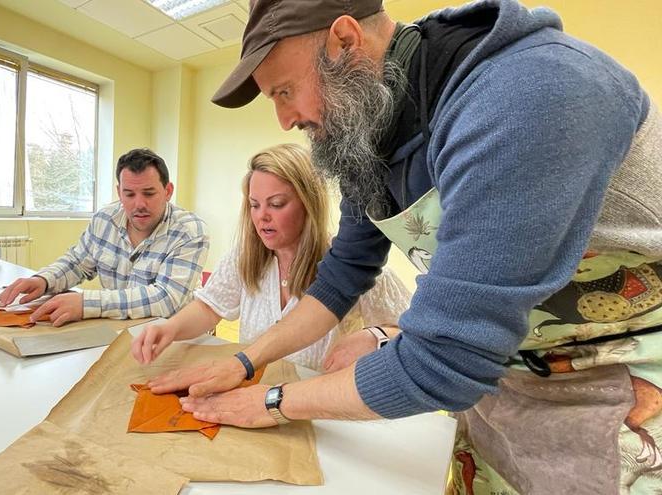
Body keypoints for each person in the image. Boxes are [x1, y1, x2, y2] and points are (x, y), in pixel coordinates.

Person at [146, 0, 662, 493]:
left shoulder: (527, 95)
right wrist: (243, 363)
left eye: (284, 91)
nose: (284, 120)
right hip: (505, 389)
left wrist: (274, 401)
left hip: (632, 390)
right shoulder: (368, 131)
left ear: (344, 40)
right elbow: (340, 278)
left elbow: (444, 358)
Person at [131, 143, 410, 371]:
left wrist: (375, 336)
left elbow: (410, 333)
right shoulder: (245, 257)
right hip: (253, 397)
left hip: (321, 409)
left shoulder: (353, 268)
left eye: (276, 204)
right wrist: (170, 328)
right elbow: (209, 308)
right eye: (254, 205)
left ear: (308, 203)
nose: (262, 216)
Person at [0, 148, 210, 327]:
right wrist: (43, 280)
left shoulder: (189, 231)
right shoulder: (104, 219)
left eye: (149, 193)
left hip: (175, 337)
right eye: (129, 194)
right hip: (118, 330)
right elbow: (77, 263)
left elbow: (166, 299)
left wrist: (86, 303)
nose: (139, 204)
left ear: (168, 191)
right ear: (119, 192)